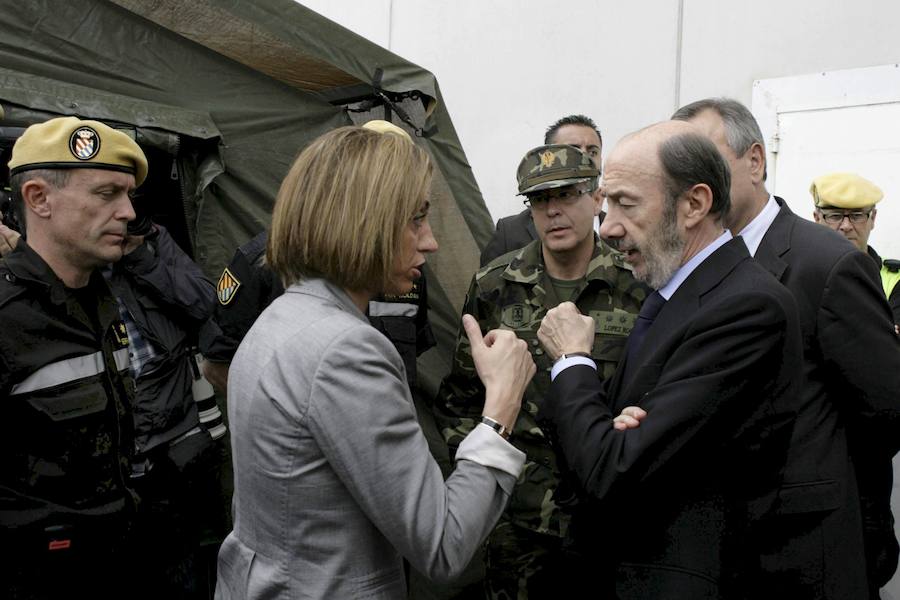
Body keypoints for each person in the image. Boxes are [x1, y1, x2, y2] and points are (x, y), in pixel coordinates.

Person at [214, 126, 535, 599]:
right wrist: (502, 406)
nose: (430, 242)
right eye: (416, 220)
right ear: (364, 222)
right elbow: (443, 544)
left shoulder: (285, 314)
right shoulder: (346, 348)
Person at [536, 121, 804, 598]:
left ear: (694, 204)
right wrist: (607, 432)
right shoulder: (670, 294)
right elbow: (596, 459)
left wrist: (574, 361)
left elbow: (611, 471)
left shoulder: (746, 308)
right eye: (605, 205)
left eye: (626, 203)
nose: (610, 227)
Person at [674, 98, 900, 598]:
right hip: (713, 544)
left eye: (707, 161)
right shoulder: (687, 265)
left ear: (754, 161)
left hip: (803, 548)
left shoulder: (827, 264)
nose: (695, 182)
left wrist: (820, 484)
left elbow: (886, 409)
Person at [437, 143, 648, 598]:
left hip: (608, 514)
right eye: (539, 200)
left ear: (596, 199)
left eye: (567, 195)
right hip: (519, 522)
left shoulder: (636, 283)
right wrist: (491, 483)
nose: (553, 211)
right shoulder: (495, 285)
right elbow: (460, 400)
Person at [0, 116, 143, 597]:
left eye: (127, 195)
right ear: (38, 199)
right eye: (106, 194)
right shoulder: (7, 318)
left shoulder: (102, 298)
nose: (127, 212)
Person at [480, 114, 604, 266]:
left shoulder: (621, 230)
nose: (586, 159)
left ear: (598, 200)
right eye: (573, 150)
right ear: (548, 158)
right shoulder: (510, 233)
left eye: (593, 152)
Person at [810, 171, 900, 326]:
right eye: (835, 216)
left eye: (857, 215)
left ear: (873, 218)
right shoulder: (801, 272)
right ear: (817, 219)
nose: (846, 226)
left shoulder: (895, 279)